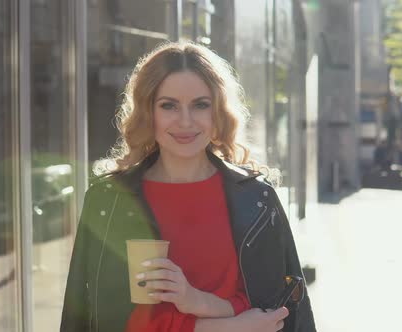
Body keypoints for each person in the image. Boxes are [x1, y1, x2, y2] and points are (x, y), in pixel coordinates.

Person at [60, 41, 316, 332]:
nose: (185, 121)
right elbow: (102, 318)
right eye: (168, 105)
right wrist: (228, 326)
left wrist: (197, 303)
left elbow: (280, 307)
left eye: (200, 105)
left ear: (217, 113)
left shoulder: (258, 199)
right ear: (148, 112)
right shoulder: (109, 201)